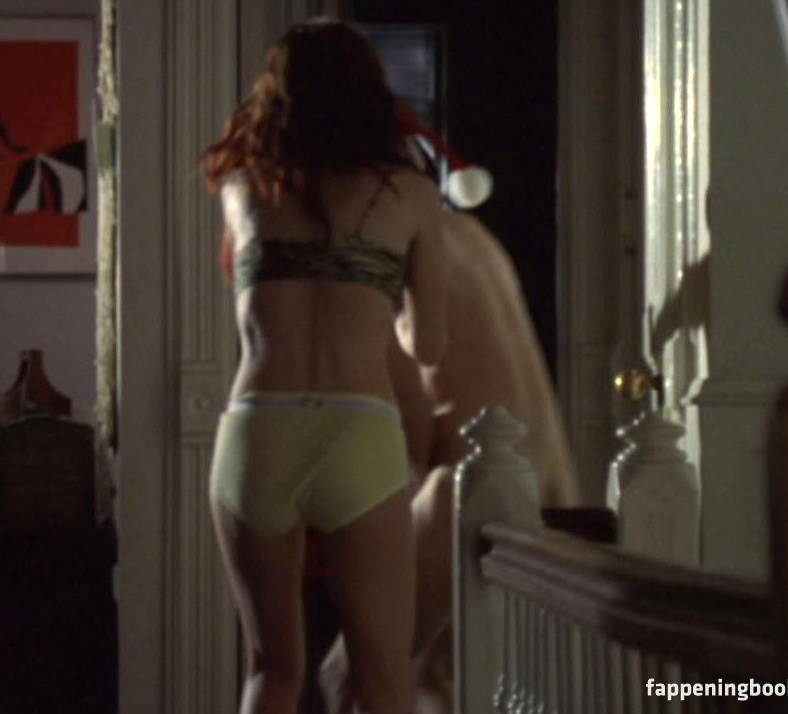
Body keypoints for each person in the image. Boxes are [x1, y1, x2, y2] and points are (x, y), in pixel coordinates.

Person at [202, 19, 447, 714]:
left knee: (271, 671)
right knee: (382, 680)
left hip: (259, 428)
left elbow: (248, 294)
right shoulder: (410, 194)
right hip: (358, 427)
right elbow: (428, 345)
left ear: (277, 94)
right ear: (370, 93)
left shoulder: (243, 189)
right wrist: (380, 301)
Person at [320, 209, 580, 714]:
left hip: (468, 488)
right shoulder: (472, 236)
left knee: (343, 676)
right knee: (444, 681)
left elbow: (410, 424)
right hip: (553, 486)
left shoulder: (374, 240)